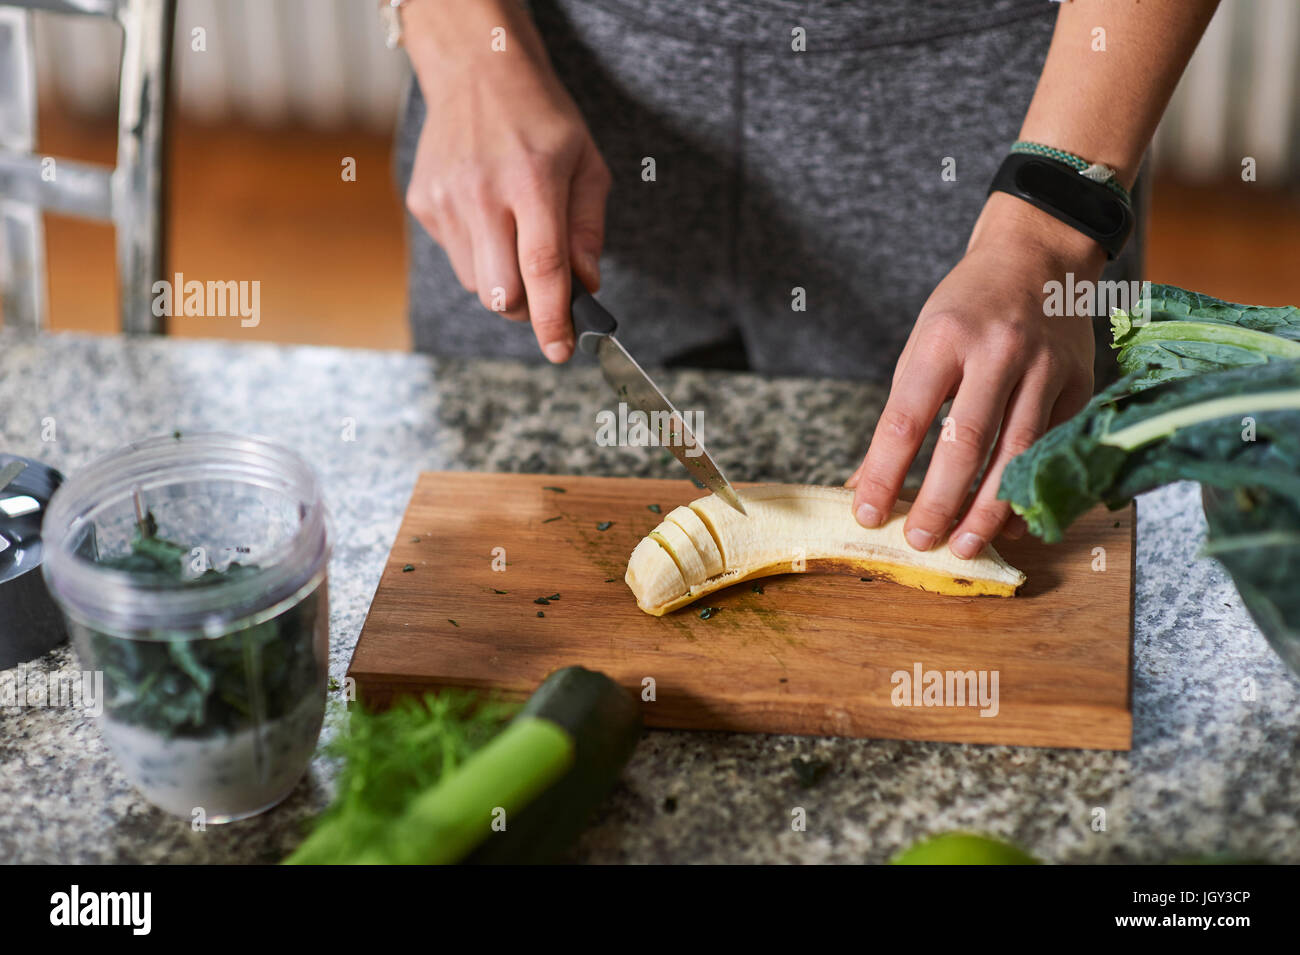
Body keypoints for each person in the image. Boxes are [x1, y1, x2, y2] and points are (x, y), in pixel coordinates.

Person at [393, 0, 1218, 558]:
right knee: (517, 553)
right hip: (539, 85)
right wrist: (462, 47)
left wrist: (1051, 222)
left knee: (980, 527)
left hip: (1002, 128)